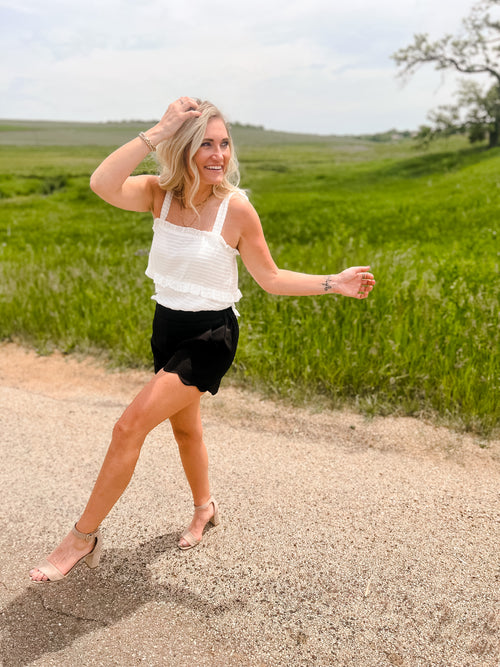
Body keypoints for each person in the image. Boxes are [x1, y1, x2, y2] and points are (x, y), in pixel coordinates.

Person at [29, 97, 376, 582]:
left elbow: (270, 278)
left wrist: (332, 282)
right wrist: (160, 128)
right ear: (184, 149)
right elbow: (101, 184)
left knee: (129, 427)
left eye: (225, 144)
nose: (219, 155)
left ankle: (82, 539)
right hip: (167, 327)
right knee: (185, 429)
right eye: (206, 144)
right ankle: (205, 508)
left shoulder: (236, 210)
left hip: (211, 336)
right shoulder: (159, 194)